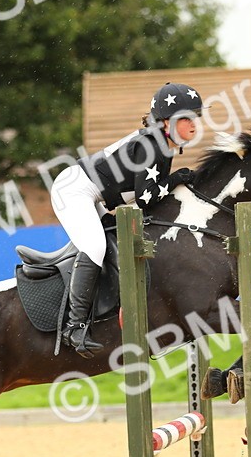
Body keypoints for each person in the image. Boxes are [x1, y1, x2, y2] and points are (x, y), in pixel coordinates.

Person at [50, 81, 203, 357]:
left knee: (112, 245)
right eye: (187, 118)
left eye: (196, 117)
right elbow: (146, 198)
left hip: (89, 194)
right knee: (95, 248)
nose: (194, 125)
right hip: (74, 191)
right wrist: (178, 177)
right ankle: (74, 326)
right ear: (166, 123)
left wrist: (175, 178)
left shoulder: (161, 144)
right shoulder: (153, 145)